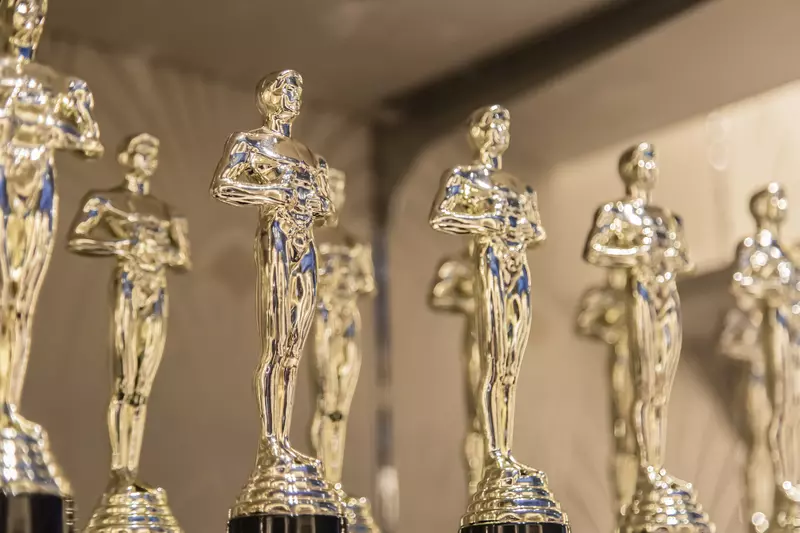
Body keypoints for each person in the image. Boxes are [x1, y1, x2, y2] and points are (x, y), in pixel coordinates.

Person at [211, 69, 339, 518]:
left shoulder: (307, 152)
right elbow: (224, 186)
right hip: (278, 238)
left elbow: (327, 209)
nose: (291, 96)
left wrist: (313, 195)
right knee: (276, 345)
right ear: (266, 96)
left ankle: (283, 441)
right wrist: (279, 189)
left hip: (305, 245)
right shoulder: (250, 142)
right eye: (285, 89)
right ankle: (272, 442)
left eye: (297, 90)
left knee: (293, 351)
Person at [430, 105, 566, 527]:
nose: (498, 133)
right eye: (491, 126)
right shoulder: (464, 178)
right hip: (488, 264)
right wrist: (490, 219)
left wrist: (513, 225)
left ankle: (506, 453)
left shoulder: (519, 184)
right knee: (493, 367)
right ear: (476, 133)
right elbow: (443, 216)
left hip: (517, 269)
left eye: (503, 126)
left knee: (511, 370)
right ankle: (496, 456)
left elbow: (537, 233)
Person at [584, 143, 713, 533]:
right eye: (640, 163)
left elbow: (686, 261)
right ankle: (648, 470)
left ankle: (658, 467)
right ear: (627, 170)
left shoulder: (668, 217)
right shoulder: (616, 212)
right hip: (639, 293)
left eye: (650, 163)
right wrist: (639, 252)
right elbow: (596, 250)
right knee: (645, 388)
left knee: (661, 393)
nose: (646, 169)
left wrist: (667, 256)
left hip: (666, 297)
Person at [68, 133, 190, 490]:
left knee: (142, 386)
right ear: (125, 156)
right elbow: (77, 238)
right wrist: (122, 246)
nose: (148, 159)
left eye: (153, 154)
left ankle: (131, 470)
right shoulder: (105, 200)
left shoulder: (168, 211)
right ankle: (119, 471)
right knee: (124, 381)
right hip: (127, 285)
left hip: (156, 289)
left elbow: (183, 258)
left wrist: (156, 252)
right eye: (141, 152)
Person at [730, 184, 800, 533]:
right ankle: (764, 508)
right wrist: (775, 292)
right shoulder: (754, 247)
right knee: (764, 434)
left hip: (789, 353)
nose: (779, 206)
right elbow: (742, 288)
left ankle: (789, 490)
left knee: (790, 423)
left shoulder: (787, 255)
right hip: (763, 361)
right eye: (773, 201)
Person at [576, 268, 636, 516]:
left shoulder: (640, 294)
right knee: (622, 428)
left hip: (641, 369)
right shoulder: (602, 296)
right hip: (620, 365)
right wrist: (612, 331)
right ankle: (623, 503)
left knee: (638, 432)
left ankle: (635, 497)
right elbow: (583, 324)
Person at [429, 244, 484, 496]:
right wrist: (474, 303)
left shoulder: (501, 259)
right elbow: (437, 297)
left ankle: (489, 481)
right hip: (475, 341)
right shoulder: (458, 267)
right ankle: (476, 487)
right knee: (477, 418)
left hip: (496, 343)